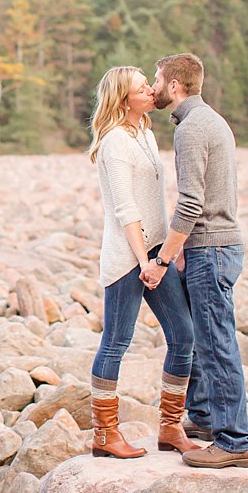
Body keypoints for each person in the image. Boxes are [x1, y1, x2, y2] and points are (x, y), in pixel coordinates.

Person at [140, 52, 248, 468]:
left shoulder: (190, 130)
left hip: (211, 248)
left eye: (156, 80)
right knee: (207, 338)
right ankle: (205, 418)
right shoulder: (212, 121)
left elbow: (190, 203)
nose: (152, 88)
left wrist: (165, 258)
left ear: (174, 86)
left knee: (215, 343)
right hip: (214, 245)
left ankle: (236, 441)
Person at [88, 65, 200, 459]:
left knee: (183, 335)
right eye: (142, 88)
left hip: (155, 252)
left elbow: (156, 200)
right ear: (124, 99)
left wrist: (170, 251)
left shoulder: (147, 134)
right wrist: (143, 262)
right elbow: (125, 209)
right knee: (116, 342)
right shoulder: (115, 141)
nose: (151, 92)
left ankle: (170, 427)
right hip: (127, 257)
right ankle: (105, 434)